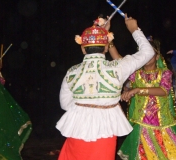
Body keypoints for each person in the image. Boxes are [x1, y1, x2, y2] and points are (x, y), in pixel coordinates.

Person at [56, 14, 155, 160]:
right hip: (105, 132)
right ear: (107, 47)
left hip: (77, 131)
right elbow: (148, 52)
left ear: (83, 48)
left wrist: (86, 106)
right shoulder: (118, 68)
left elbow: (65, 104)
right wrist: (134, 29)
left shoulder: (72, 72)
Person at [118, 38, 176, 159]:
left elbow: (163, 91)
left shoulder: (164, 73)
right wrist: (109, 43)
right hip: (141, 122)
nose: (146, 57)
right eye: (143, 55)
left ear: (157, 57)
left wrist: (137, 90)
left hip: (160, 124)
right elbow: (120, 61)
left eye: (149, 54)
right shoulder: (136, 73)